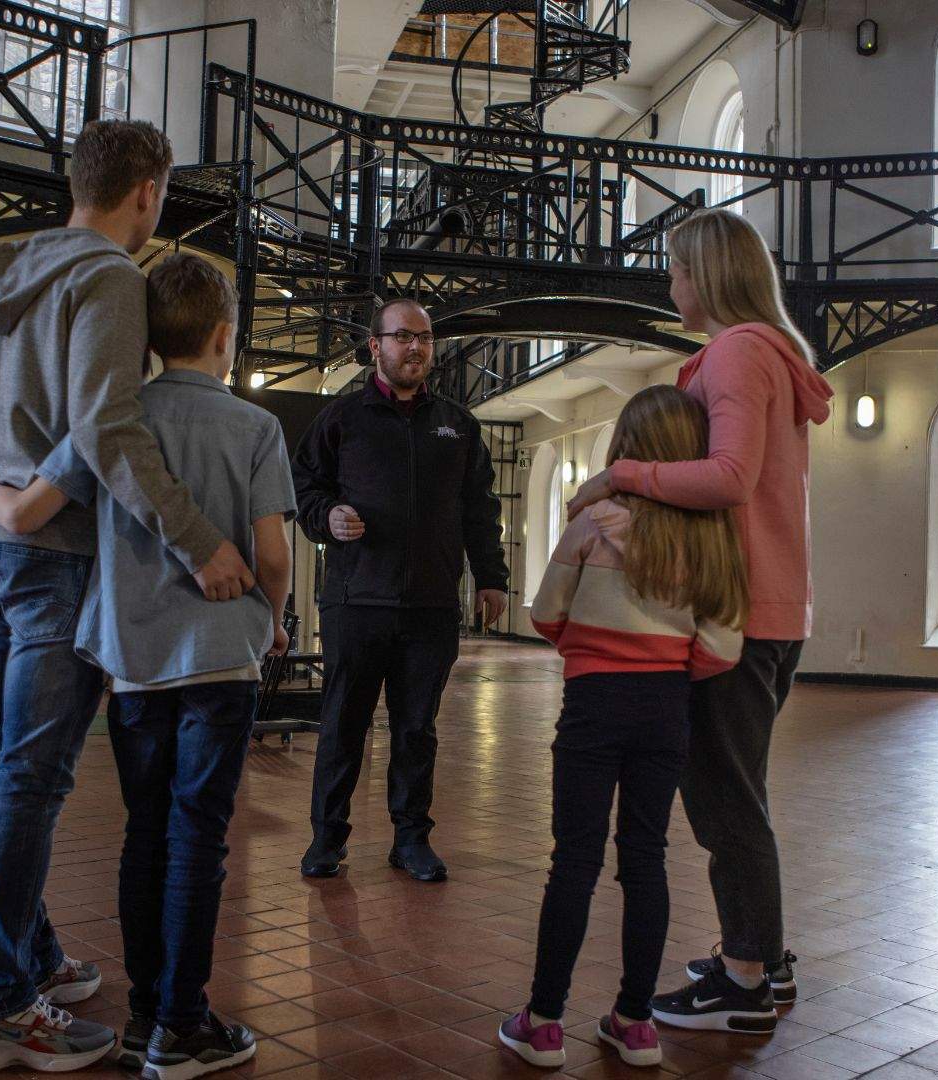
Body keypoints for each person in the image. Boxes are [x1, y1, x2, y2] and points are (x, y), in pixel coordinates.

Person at [0, 119, 255, 1075]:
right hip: (47, 562)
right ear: (148, 193)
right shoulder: (109, 277)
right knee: (31, 781)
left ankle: (28, 957)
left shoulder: (2, 277)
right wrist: (200, 541)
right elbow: (110, 427)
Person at [570, 208, 832, 1033]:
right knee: (736, 789)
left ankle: (745, 978)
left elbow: (727, 479)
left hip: (740, 614)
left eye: (677, 270)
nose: (670, 284)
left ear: (707, 277)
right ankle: (764, 954)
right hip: (770, 606)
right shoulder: (763, 352)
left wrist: (622, 474)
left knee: (723, 801)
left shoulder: (738, 351)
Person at [497, 385, 748, 1070]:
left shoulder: (594, 521)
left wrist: (592, 646)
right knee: (646, 858)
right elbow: (723, 647)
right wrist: (668, 662)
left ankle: (543, 1022)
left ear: (626, 450)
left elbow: (545, 613)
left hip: (593, 704)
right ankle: (635, 1022)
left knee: (573, 860)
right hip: (666, 707)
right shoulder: (713, 538)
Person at [291, 298, 510, 882]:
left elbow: (481, 509)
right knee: (343, 726)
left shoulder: (457, 425)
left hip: (431, 608)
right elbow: (304, 489)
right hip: (355, 602)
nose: (416, 348)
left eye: (425, 338)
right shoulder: (341, 420)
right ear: (375, 347)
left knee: (417, 730)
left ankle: (411, 839)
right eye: (403, 337)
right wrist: (327, 516)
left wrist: (492, 577)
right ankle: (326, 840)